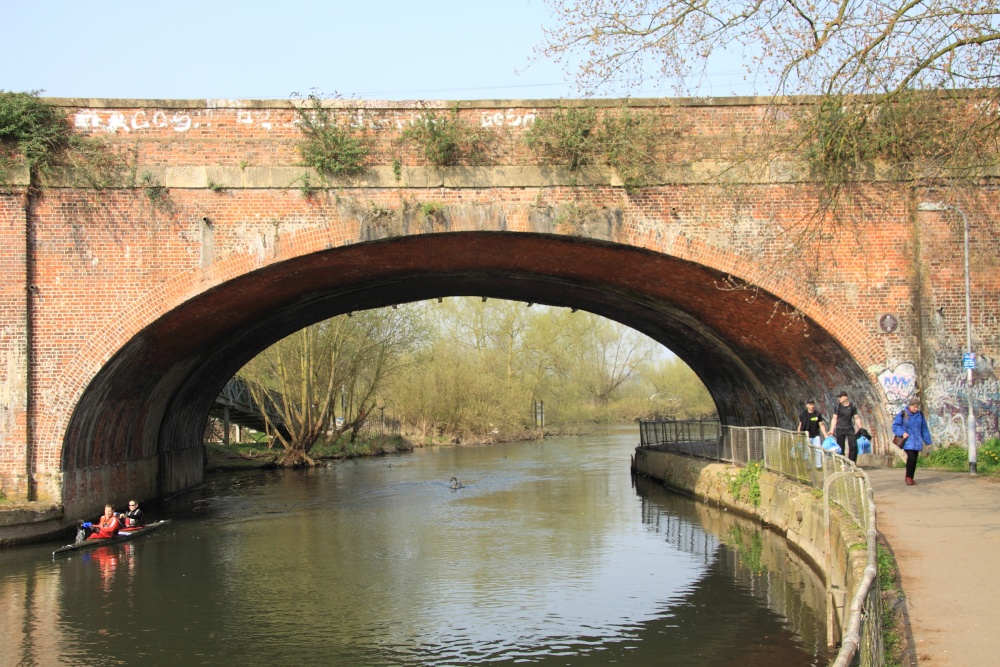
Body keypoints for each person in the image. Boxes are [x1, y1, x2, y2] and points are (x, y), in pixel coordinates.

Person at [892, 397, 933, 485]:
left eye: (917, 407)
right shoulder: (903, 414)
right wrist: (902, 433)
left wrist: (928, 442)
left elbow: (924, 429)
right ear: (910, 406)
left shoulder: (920, 415)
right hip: (908, 441)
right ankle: (908, 477)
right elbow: (895, 426)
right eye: (914, 407)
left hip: (917, 441)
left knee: (914, 460)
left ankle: (911, 477)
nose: (916, 409)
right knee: (911, 457)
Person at [828, 391, 863, 462]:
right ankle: (842, 463)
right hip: (840, 429)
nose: (839, 399)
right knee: (841, 447)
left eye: (840, 397)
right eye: (839, 397)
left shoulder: (852, 407)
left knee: (853, 446)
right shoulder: (837, 407)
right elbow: (834, 418)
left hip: (850, 428)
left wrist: (860, 428)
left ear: (846, 397)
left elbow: (856, 418)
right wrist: (831, 429)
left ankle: (852, 463)